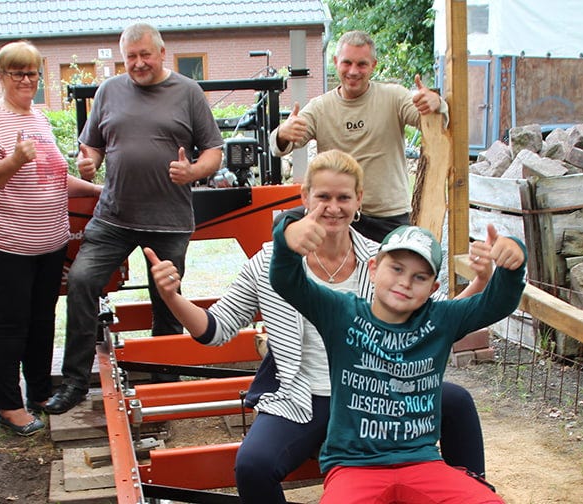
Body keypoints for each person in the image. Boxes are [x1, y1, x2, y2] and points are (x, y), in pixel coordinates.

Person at [145, 149, 494, 503]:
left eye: (344, 197)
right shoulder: (268, 261)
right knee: (253, 464)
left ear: (359, 200)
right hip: (303, 395)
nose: (333, 207)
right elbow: (217, 328)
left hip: (374, 393)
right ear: (305, 197)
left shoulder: (382, 261)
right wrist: (174, 298)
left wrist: (480, 282)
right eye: (323, 196)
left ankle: (470, 490)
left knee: (457, 401)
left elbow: (433, 320)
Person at [268, 154, 527, 504]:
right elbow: (288, 282)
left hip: (420, 460)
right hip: (352, 464)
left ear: (433, 289)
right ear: (373, 269)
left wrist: (513, 263)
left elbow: (495, 304)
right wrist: (286, 239)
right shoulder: (341, 312)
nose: (405, 283)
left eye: (420, 277)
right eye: (397, 269)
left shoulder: (440, 319)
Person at [44, 22, 224, 414]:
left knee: (167, 298)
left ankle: (165, 377)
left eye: (145, 55)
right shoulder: (108, 91)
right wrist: (87, 161)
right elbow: (90, 144)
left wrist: (194, 171)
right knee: (81, 280)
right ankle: (75, 380)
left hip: (169, 219)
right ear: (123, 58)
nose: (139, 63)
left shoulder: (188, 92)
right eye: (131, 57)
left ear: (162, 53)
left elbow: (214, 151)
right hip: (114, 217)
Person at [0, 40, 102, 436]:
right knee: (11, 326)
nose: (26, 80)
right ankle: (8, 406)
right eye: (17, 73)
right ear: (1, 77)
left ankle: (39, 393)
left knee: (42, 322)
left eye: (32, 73)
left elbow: (53, 176)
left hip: (48, 244)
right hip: (4, 245)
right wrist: (13, 161)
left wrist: (96, 190)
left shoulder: (40, 118)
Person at [270, 30, 448, 242]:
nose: (353, 71)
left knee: (404, 265)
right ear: (336, 62)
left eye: (361, 64)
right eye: (347, 63)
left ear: (373, 65)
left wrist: (436, 104)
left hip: (386, 217)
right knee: (284, 224)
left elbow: (432, 124)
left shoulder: (394, 97)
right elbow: (281, 145)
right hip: (336, 213)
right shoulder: (320, 107)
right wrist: (283, 133)